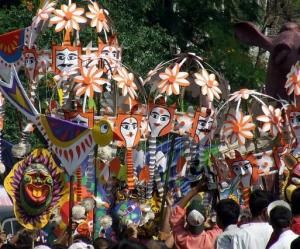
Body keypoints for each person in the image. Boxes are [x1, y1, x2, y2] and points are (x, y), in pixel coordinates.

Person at [170, 180, 221, 249]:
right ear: (205, 218)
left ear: (186, 219)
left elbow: (175, 215)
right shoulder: (210, 240)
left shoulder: (182, 239)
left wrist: (194, 190)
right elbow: (222, 222)